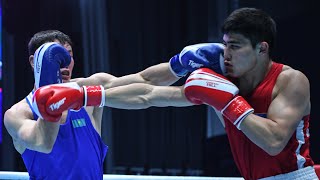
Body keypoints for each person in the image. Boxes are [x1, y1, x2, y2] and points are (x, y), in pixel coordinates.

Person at [31, 7, 317, 179]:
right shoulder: (221, 73)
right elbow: (150, 94)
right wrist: (83, 96)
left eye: (236, 46)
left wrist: (227, 99)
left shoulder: (289, 81)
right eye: (225, 44)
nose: (226, 54)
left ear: (262, 48)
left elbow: (274, 142)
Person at [4, 30, 225, 179]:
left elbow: (145, 83)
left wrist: (181, 64)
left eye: (68, 55)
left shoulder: (86, 92)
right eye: (55, 56)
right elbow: (44, 143)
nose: (63, 63)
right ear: (34, 62)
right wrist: (48, 93)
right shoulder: (18, 114)